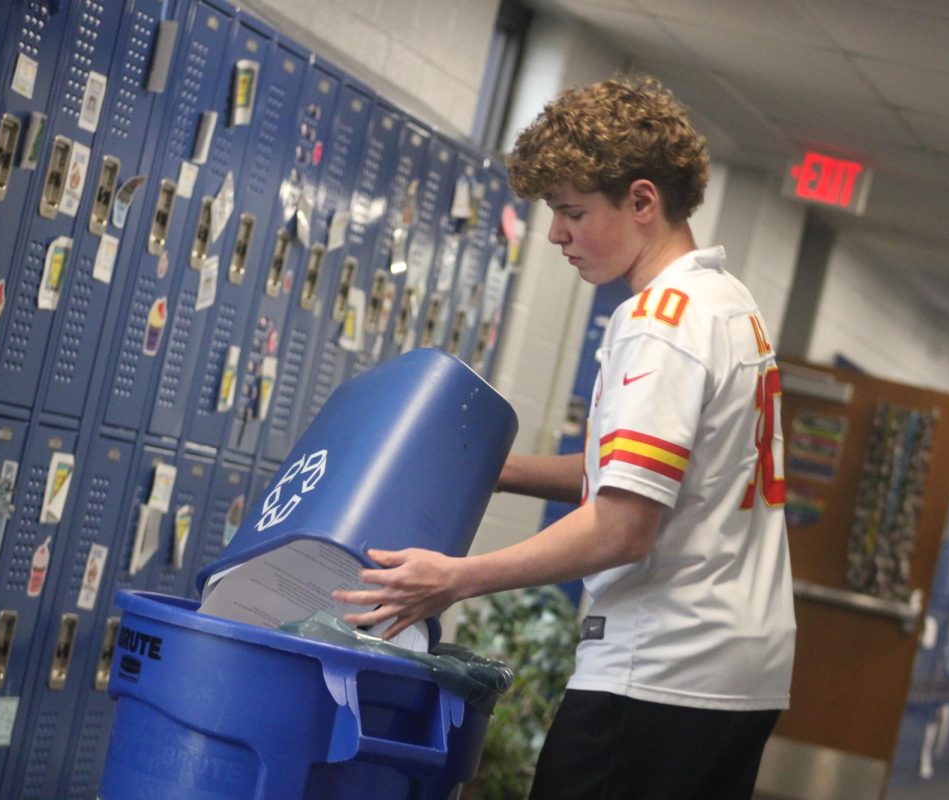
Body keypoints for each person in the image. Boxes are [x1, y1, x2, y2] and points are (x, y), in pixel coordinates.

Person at [333, 75, 796, 799]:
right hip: (735, 675)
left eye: (573, 212)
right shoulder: (726, 305)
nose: (556, 235)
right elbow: (638, 481)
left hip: (658, 669)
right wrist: (493, 468)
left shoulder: (660, 321)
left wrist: (455, 579)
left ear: (643, 201)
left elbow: (622, 528)